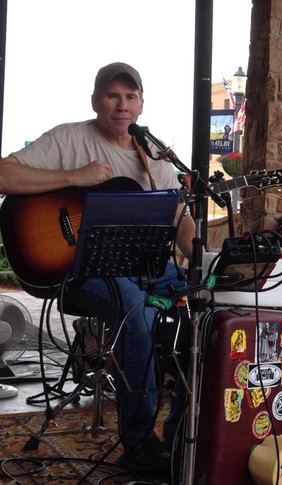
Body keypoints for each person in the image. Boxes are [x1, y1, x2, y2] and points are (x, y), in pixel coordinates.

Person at [0, 62, 195, 475]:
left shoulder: (154, 155)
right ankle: (139, 443)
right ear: (95, 101)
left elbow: (178, 215)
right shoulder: (69, 137)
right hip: (78, 274)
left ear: (141, 105)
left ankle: (183, 431)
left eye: (130, 97)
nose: (121, 105)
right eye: (112, 95)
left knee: (203, 305)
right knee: (136, 308)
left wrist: (201, 257)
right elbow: (3, 173)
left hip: (142, 267)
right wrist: (76, 176)